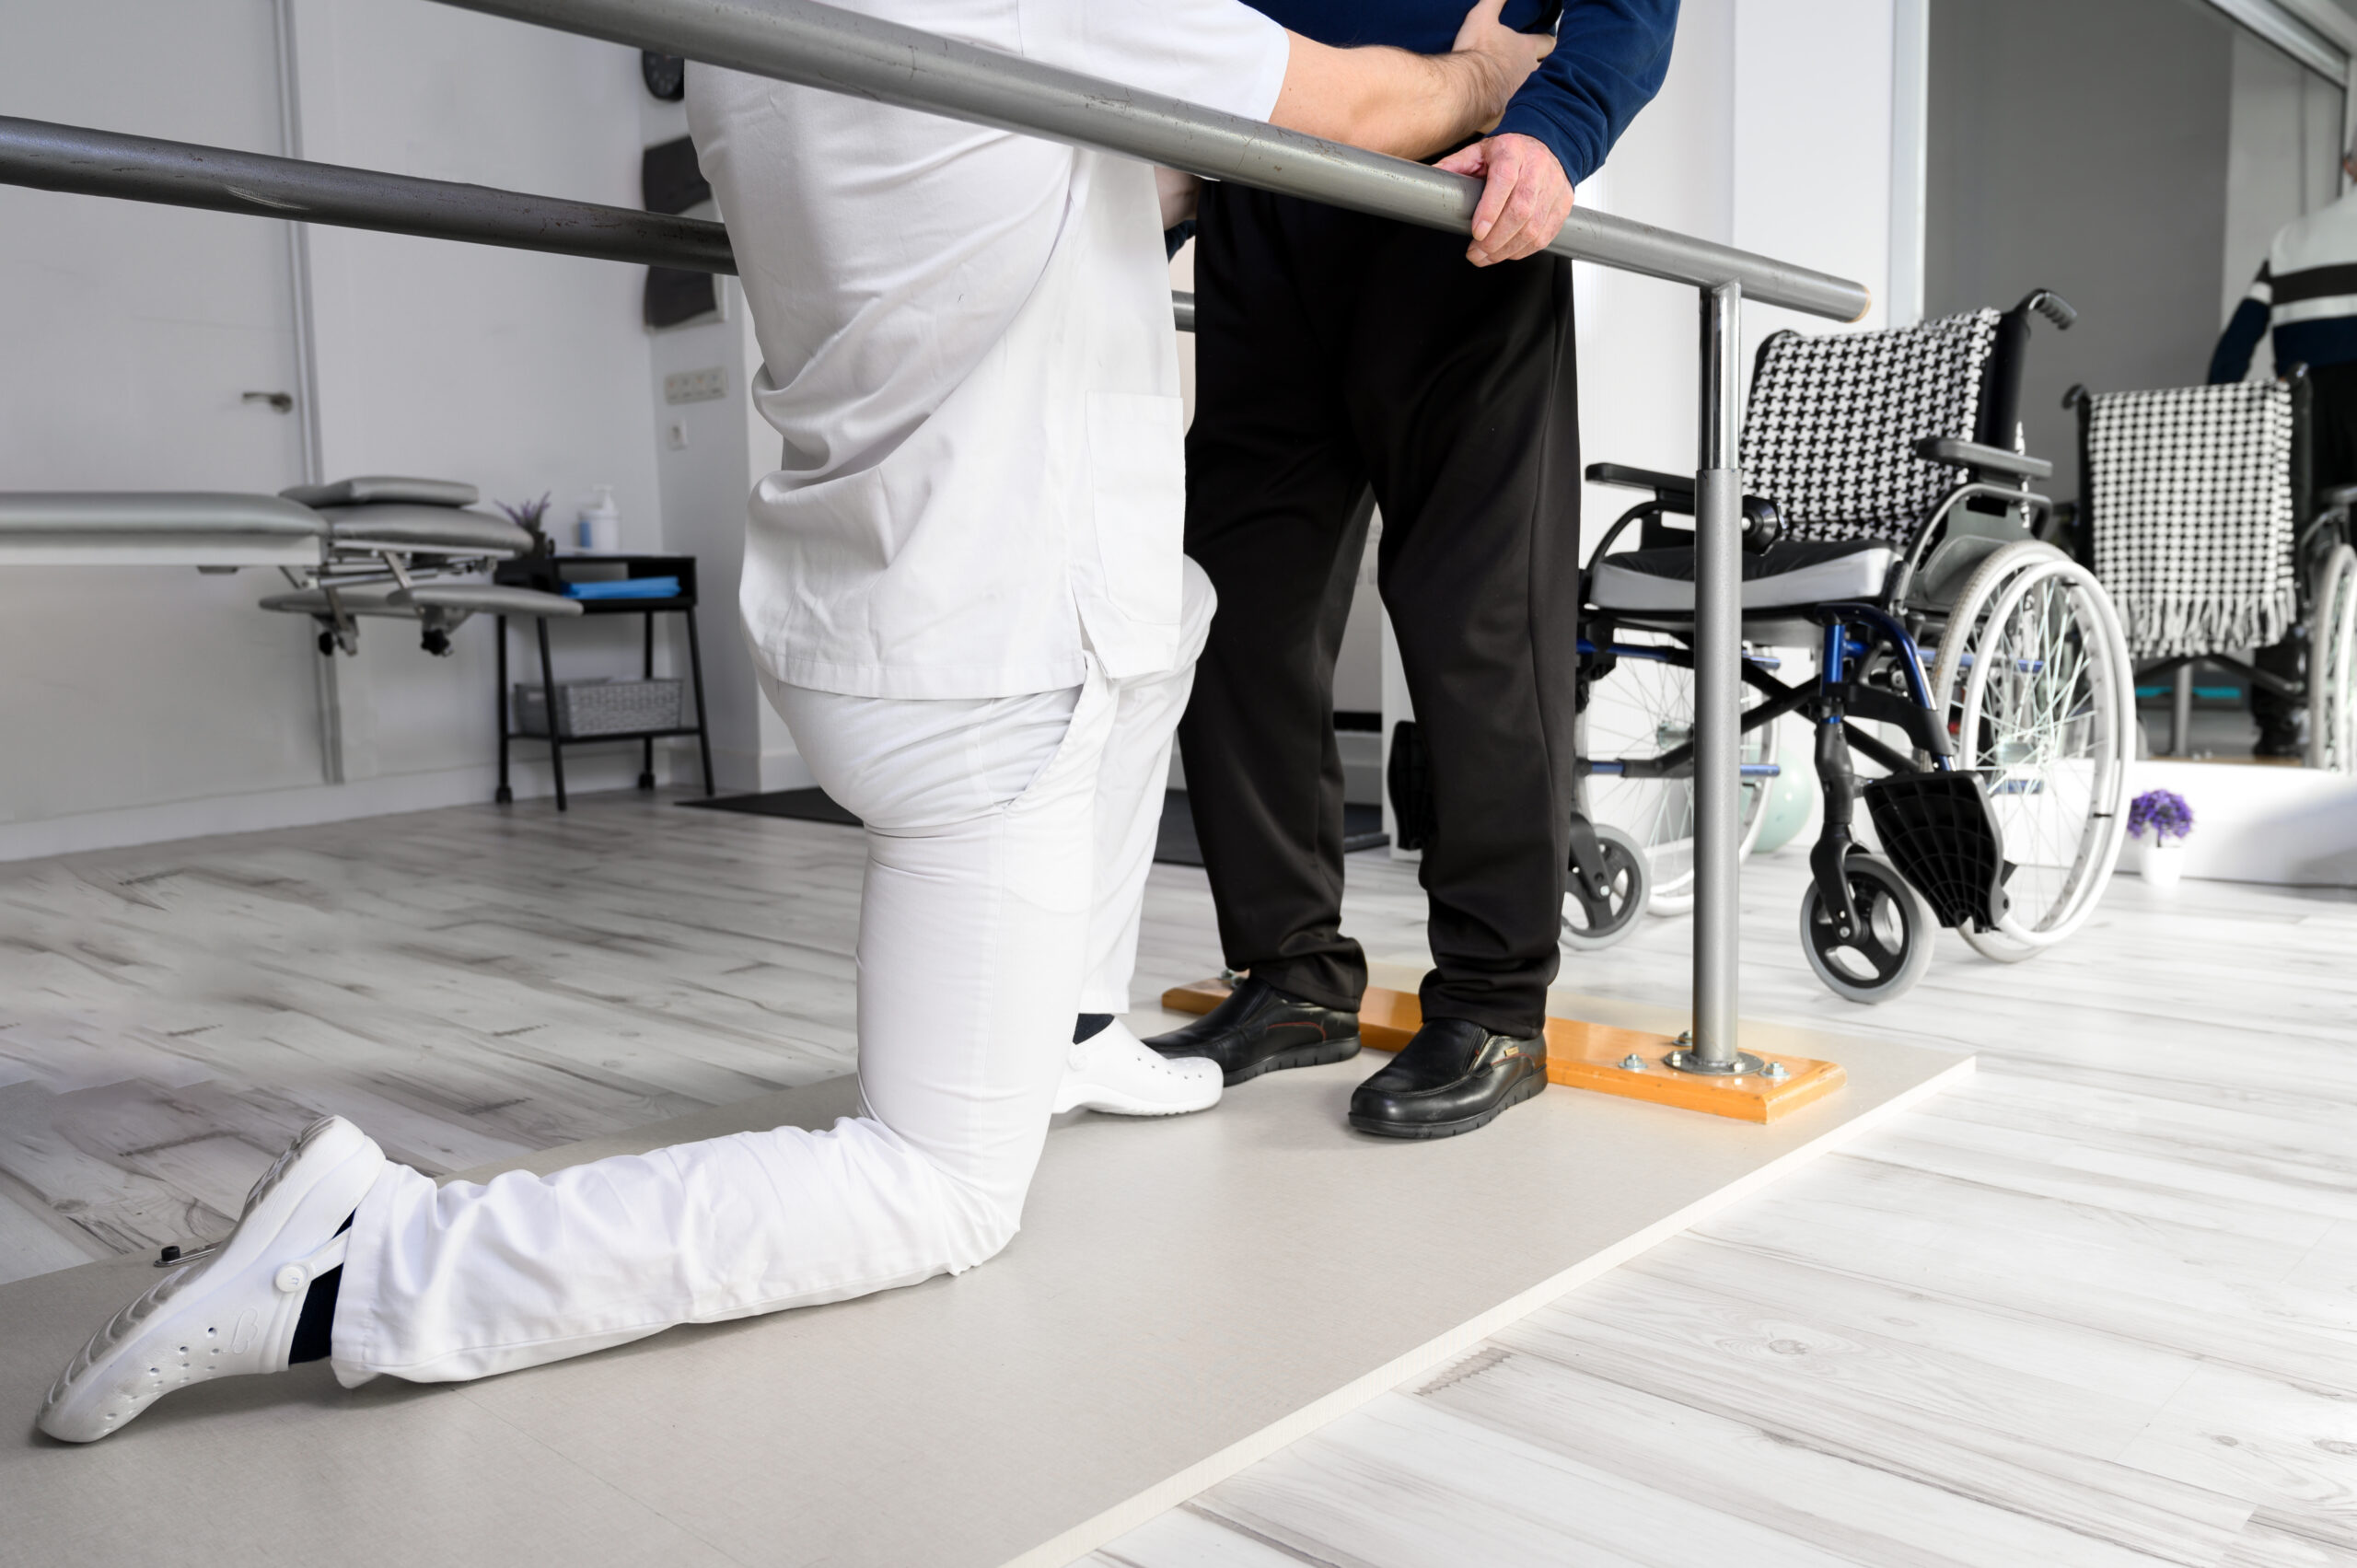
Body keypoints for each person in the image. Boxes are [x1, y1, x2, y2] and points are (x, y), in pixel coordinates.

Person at [34, 0, 1554, 1442]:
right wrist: (1491, 75)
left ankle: (1066, 1033)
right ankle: (366, 1264)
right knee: (937, 1189)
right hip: (998, 653)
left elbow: (1049, 187)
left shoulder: (738, 44)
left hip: (864, 614)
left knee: (1183, 612)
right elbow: (1364, 105)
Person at [1145, 0, 1679, 1140]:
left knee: (1472, 618)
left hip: (1456, 197)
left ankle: (1493, 1005)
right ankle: (1292, 978)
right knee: (1235, 613)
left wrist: (1557, 130)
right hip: (1267, 194)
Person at [2210, 143, 2357, 759]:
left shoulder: (2294, 238)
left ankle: (2276, 720)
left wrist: (2222, 420)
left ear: (2350, 166)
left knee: (2284, 559)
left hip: (2300, 411)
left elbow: (2234, 348)